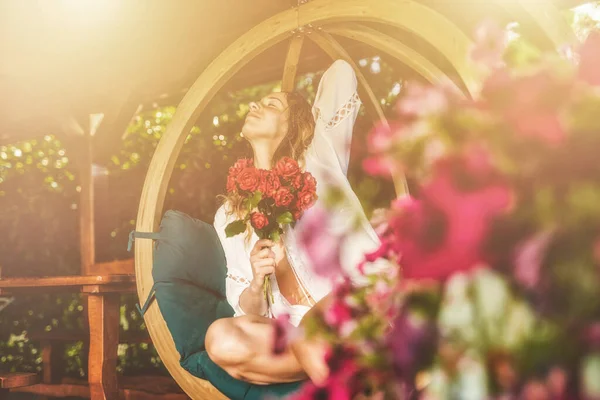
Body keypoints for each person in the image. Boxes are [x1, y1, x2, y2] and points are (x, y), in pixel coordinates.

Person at [206, 59, 389, 386]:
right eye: (257, 102)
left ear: (296, 125)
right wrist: (256, 279)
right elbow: (248, 310)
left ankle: (336, 361)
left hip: (359, 296)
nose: (254, 105)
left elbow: (342, 74)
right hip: (297, 328)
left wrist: (303, 28)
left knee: (311, 335)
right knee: (221, 338)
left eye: (271, 104)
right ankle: (331, 359)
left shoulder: (320, 155)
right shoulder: (230, 215)